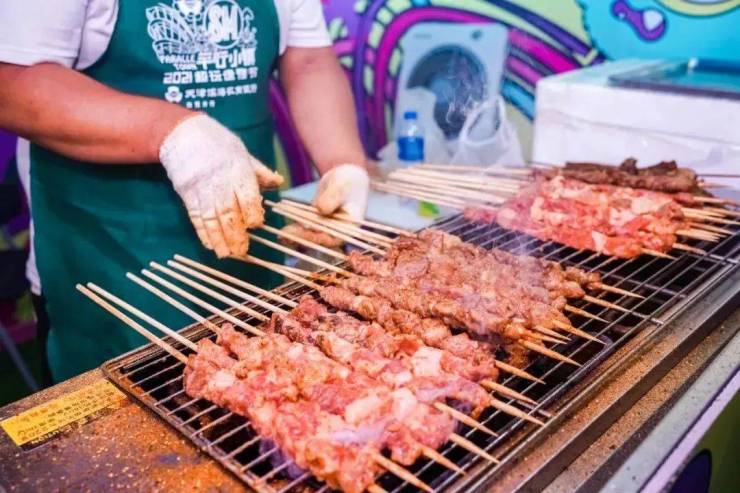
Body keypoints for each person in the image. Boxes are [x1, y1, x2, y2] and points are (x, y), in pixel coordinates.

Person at [0, 0, 369, 382]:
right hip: (112, 268)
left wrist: (341, 160)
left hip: (250, 253)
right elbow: (12, 82)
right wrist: (175, 133)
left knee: (272, 388)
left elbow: (308, 60)